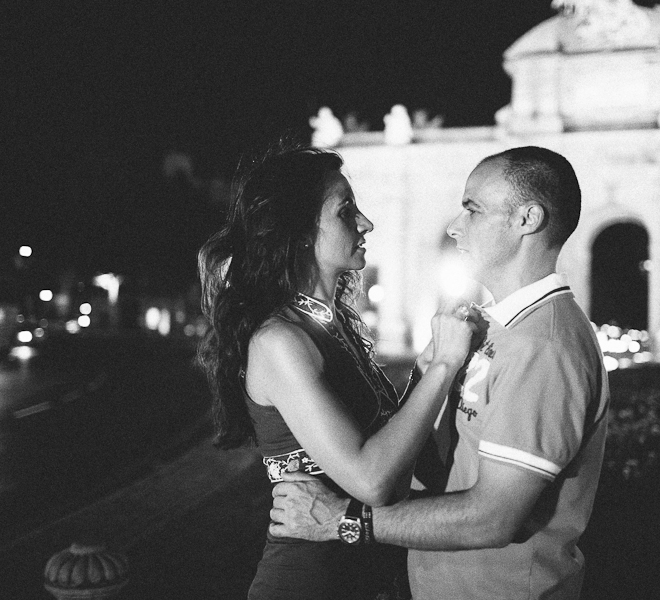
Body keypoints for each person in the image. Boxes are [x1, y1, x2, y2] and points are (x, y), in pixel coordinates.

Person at [270, 146, 610, 600]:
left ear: (527, 219)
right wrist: (432, 368)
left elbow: (493, 517)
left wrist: (340, 520)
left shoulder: (543, 346)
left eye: (472, 209)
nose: (453, 225)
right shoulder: (498, 328)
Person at [195, 144, 479, 600]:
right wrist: (444, 365)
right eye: (346, 211)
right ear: (301, 230)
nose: (366, 223)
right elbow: (374, 480)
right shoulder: (280, 341)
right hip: (309, 582)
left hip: (369, 574)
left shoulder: (337, 322)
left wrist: (427, 369)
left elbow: (395, 447)